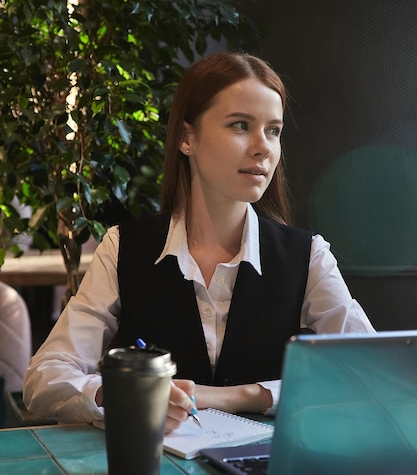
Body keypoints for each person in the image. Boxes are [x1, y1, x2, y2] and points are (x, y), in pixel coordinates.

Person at [23, 51, 374, 433]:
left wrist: (244, 396)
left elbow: (372, 373)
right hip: (152, 474)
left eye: (273, 130)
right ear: (187, 138)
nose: (263, 147)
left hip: (266, 474)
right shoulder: (123, 247)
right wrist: (125, 391)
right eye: (241, 125)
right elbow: (44, 378)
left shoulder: (308, 256)